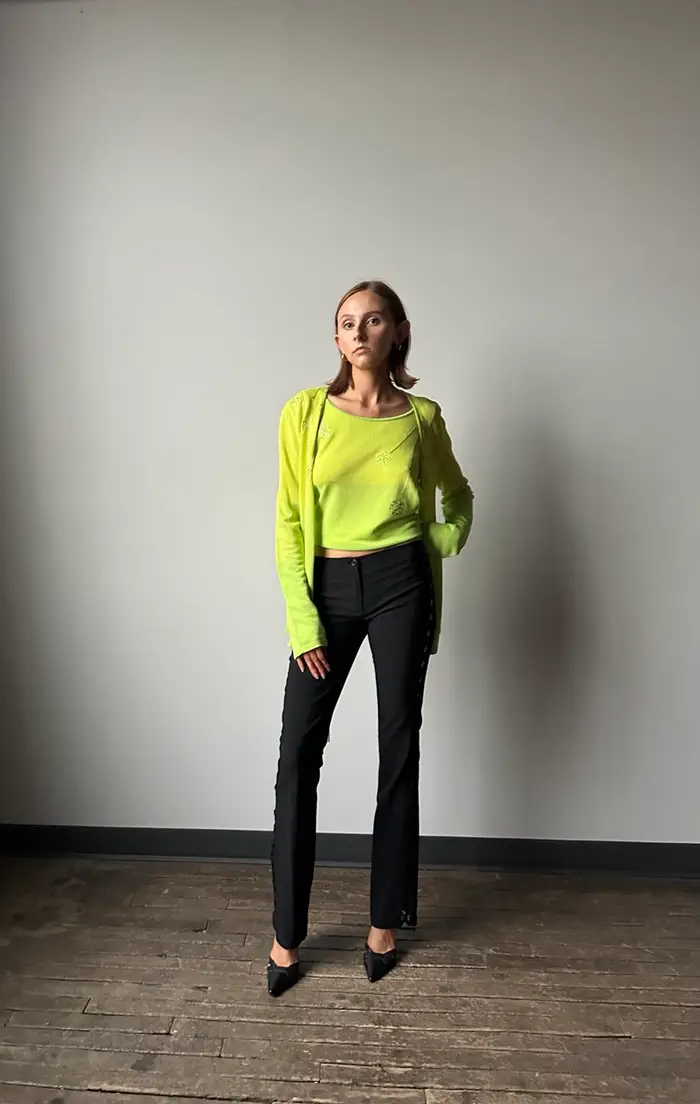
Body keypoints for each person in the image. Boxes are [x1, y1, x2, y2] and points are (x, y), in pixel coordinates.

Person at [267, 280, 474, 997]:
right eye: (347, 322)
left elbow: (458, 495)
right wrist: (303, 622)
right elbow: (289, 521)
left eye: (373, 319)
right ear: (336, 339)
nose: (358, 332)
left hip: (399, 586)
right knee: (298, 753)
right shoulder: (305, 413)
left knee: (398, 747)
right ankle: (286, 934)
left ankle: (385, 922)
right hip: (326, 587)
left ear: (398, 332)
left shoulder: (421, 418)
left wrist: (442, 538)